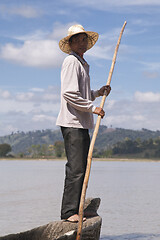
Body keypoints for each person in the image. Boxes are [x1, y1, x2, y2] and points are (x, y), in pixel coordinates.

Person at [56, 24, 111, 222]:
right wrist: (92, 107)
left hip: (81, 123)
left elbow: (82, 94)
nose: (82, 42)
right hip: (72, 123)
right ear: (70, 43)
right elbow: (69, 94)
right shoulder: (71, 61)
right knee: (76, 169)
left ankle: (77, 207)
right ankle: (69, 212)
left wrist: (98, 93)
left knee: (82, 167)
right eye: (77, 39)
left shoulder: (82, 63)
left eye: (83, 39)